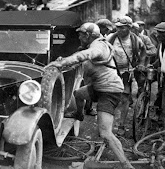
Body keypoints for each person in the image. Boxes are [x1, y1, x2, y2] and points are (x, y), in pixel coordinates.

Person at [46, 23, 135, 169]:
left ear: (88, 35)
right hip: (98, 87)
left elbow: (85, 56)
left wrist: (62, 62)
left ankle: (126, 165)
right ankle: (79, 114)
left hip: (109, 91)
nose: (79, 37)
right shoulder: (90, 46)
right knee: (78, 94)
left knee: (105, 133)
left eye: (81, 34)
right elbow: (79, 61)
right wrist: (64, 62)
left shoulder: (98, 47)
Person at [106, 16, 146, 136]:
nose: (118, 30)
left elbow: (144, 50)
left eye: (121, 28)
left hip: (126, 73)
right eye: (117, 27)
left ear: (129, 28)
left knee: (124, 99)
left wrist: (141, 63)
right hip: (111, 71)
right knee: (109, 98)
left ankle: (121, 125)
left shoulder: (135, 40)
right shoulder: (110, 38)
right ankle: (107, 126)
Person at [132, 22, 157, 96]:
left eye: (133, 30)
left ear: (137, 30)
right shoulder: (125, 40)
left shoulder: (144, 38)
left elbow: (154, 51)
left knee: (141, 81)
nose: (131, 32)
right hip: (131, 66)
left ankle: (141, 101)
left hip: (142, 66)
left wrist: (143, 52)